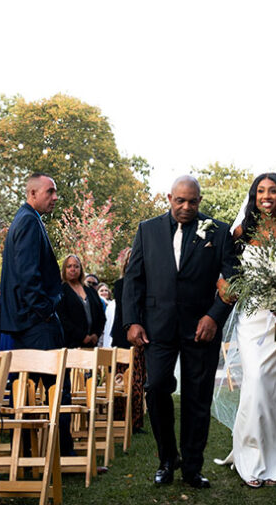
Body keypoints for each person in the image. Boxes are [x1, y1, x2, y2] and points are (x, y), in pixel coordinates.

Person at [124, 175, 236, 489]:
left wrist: (214, 317)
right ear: (169, 198)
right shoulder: (147, 230)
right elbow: (134, 279)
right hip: (157, 328)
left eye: (193, 201)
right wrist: (132, 321)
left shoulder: (218, 231)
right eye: (180, 200)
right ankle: (167, 458)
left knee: (197, 399)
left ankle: (192, 467)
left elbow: (233, 280)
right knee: (156, 387)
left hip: (201, 328)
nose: (186, 207)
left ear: (200, 201)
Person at [218, 173, 276, 488]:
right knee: (256, 382)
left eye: (272, 190)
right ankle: (251, 456)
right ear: (254, 196)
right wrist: (225, 286)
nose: (266, 195)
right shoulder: (243, 232)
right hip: (253, 318)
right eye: (261, 191)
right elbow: (228, 270)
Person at [0, 173, 63, 351]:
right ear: (32, 193)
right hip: (34, 324)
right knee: (52, 378)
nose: (55, 197)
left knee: (33, 379)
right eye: (50, 192)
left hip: (29, 321)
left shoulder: (26, 218)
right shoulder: (28, 221)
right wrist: (44, 311)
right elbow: (27, 274)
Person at [111, 246, 145, 432]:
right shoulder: (120, 284)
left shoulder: (149, 285)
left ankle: (136, 421)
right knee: (120, 380)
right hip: (123, 337)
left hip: (141, 336)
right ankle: (118, 418)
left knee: (138, 380)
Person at [57, 254, 107, 348]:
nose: (73, 269)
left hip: (92, 344)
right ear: (64, 269)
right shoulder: (60, 291)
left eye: (76, 266)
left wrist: (96, 334)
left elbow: (101, 316)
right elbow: (62, 318)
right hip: (70, 345)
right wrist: (82, 336)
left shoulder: (90, 290)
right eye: (69, 266)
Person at [97, 282, 114, 347]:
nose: (104, 292)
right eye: (101, 291)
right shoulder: (97, 303)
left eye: (106, 290)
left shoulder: (112, 304)